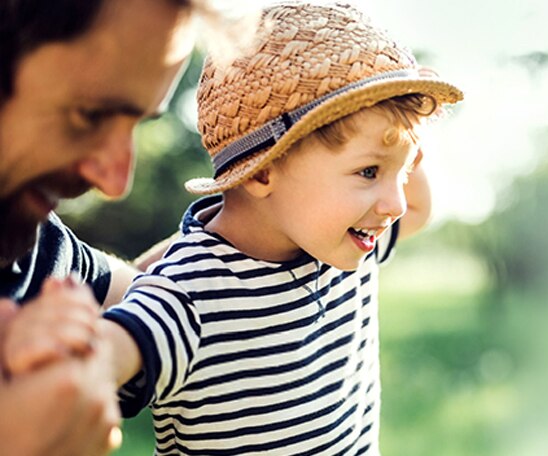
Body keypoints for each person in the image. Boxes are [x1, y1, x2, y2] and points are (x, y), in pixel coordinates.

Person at [3, 2, 463, 454]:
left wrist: (395, 122)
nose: (396, 202)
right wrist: (64, 349)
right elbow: (113, 350)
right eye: (368, 172)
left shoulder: (347, 244)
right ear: (262, 171)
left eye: (399, 175)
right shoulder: (189, 291)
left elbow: (417, 209)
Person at [0, 0, 252, 454]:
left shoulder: (30, 250)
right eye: (90, 116)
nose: (116, 181)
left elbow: (167, 291)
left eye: (134, 125)